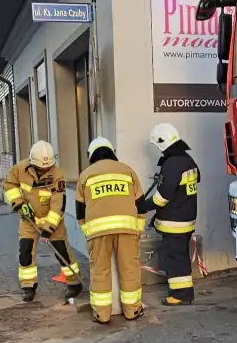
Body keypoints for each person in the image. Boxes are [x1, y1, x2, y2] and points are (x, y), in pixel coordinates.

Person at [75, 138, 144, 324]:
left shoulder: (85, 175)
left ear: (91, 155)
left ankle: (102, 314)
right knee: (129, 269)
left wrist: (87, 231)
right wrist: (139, 228)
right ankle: (132, 310)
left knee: (100, 271)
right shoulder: (127, 170)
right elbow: (141, 203)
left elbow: (80, 211)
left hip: (98, 232)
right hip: (127, 229)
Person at [4, 140, 82, 302]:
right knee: (25, 251)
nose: (45, 169)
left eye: (47, 167)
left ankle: (74, 283)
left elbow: (58, 204)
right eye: (41, 167)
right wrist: (19, 204)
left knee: (62, 252)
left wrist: (48, 228)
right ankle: (28, 286)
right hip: (29, 220)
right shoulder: (20, 169)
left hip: (52, 221)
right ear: (32, 163)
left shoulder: (57, 174)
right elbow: (9, 185)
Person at [137, 123, 199, 305]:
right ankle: (185, 293)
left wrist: (141, 207)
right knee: (181, 256)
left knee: (174, 258)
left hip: (174, 222)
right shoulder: (188, 160)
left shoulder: (172, 164)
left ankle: (179, 296)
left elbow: (161, 198)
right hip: (187, 219)